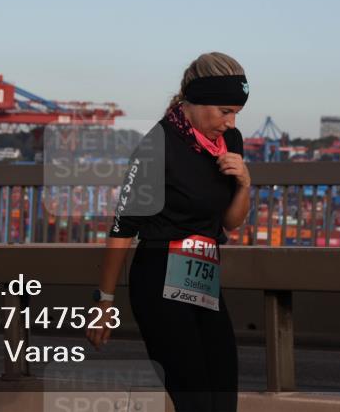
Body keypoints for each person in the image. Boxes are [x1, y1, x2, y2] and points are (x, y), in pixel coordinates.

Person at [85, 51, 252, 412]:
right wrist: (105, 301)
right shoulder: (156, 146)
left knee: (223, 399)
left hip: (203, 277)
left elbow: (231, 222)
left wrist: (244, 183)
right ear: (194, 100)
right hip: (159, 274)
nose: (230, 121)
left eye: (236, 112)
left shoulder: (231, 142)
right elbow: (121, 228)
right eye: (224, 111)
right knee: (195, 402)